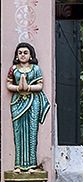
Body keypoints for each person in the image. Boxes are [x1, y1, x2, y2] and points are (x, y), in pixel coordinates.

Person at [6, 42, 51, 172]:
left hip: (33, 101)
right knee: (18, 131)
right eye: (20, 53)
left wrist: (28, 88)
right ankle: (18, 165)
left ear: (30, 55)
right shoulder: (13, 69)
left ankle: (32, 164)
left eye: (25, 53)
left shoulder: (35, 69)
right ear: (16, 55)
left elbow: (40, 86)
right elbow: (9, 86)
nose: (22, 55)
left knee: (32, 130)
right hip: (17, 102)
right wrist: (18, 88)